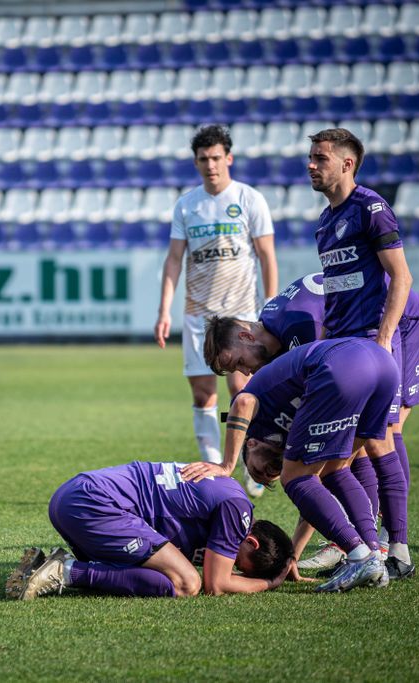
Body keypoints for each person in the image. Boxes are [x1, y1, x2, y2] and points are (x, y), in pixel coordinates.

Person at [203, 275, 419, 578]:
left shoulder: (299, 327)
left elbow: (244, 403)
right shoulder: (277, 328)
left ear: (245, 336)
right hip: (365, 349)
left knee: (380, 439)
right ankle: (368, 545)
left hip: (398, 319)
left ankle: (386, 546)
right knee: (346, 452)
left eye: (238, 362)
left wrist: (227, 464)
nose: (244, 372)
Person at [185, 338, 399, 593]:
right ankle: (374, 556)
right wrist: (291, 557)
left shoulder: (255, 420)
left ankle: (360, 556)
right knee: (335, 469)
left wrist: (227, 464)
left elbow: (242, 403)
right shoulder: (287, 434)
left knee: (297, 477)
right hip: (384, 365)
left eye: (257, 471)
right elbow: (314, 500)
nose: (269, 473)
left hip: (345, 363)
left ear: (250, 445)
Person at [306, 128, 415, 579]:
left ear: (347, 164)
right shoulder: (324, 223)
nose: (312, 165)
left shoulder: (371, 208)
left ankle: (395, 549)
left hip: (372, 343)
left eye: (320, 158)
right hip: (343, 347)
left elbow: (401, 278)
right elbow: (335, 295)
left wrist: (384, 339)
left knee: (374, 441)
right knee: (352, 450)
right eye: (310, 158)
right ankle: (369, 545)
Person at [153, 124, 277, 494]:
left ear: (229, 158)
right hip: (198, 316)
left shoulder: (249, 199)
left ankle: (252, 461)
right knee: (203, 394)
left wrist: (270, 304)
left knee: (244, 391)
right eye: (203, 159)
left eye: (216, 157)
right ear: (196, 162)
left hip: (241, 315)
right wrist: (164, 310)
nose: (210, 165)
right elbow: (174, 259)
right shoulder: (187, 205)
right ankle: (211, 465)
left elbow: (266, 254)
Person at [6, 461, 293, 601]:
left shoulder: (231, 497)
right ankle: (65, 570)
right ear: (252, 542)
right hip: (94, 504)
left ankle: (42, 565)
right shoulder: (237, 509)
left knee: (162, 573)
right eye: (239, 567)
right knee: (186, 583)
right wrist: (267, 583)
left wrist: (286, 559)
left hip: (73, 495)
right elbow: (215, 585)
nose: (233, 570)